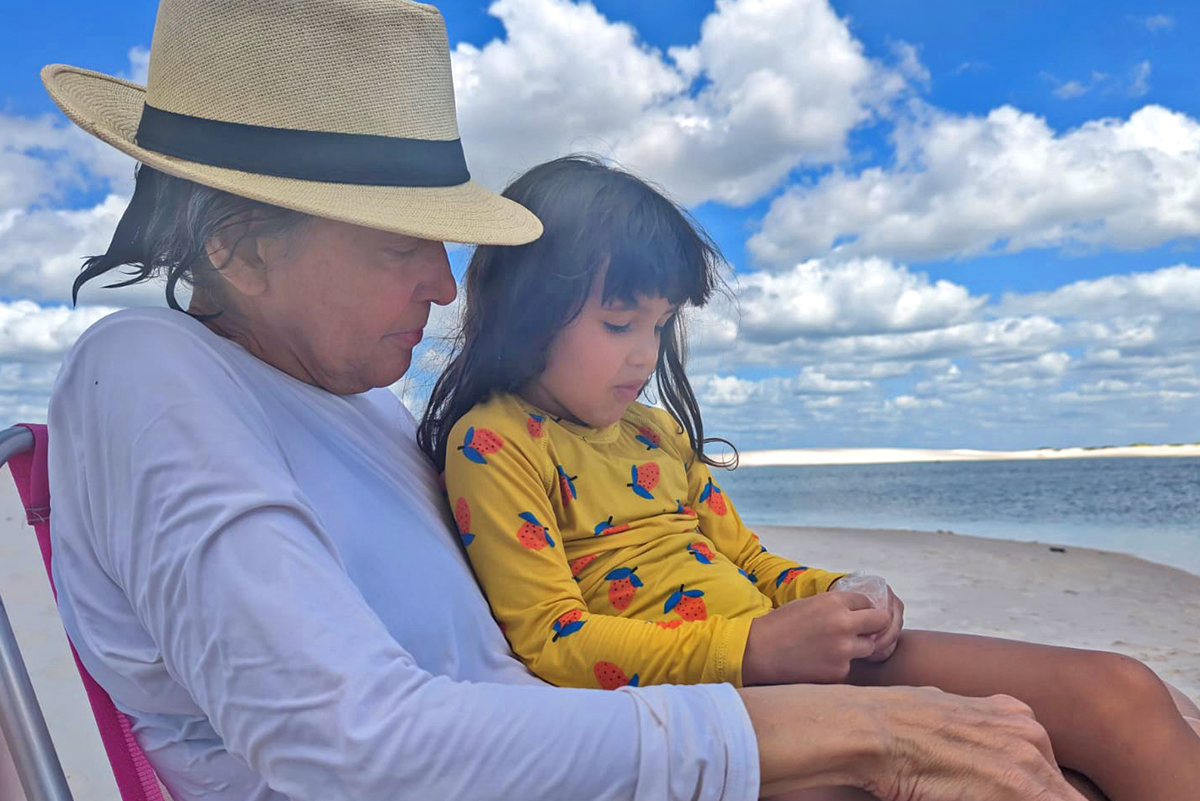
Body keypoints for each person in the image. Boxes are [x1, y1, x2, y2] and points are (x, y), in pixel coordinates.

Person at [40, 1, 1100, 800]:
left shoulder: (353, 409)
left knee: (1071, 729)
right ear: (234, 246)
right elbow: (349, 743)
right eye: (398, 242)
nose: (445, 287)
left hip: (594, 750)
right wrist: (856, 733)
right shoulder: (146, 372)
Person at [422, 156, 1200, 801]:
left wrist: (840, 592)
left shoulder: (655, 434)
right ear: (527, 308)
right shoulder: (494, 444)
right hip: (723, 705)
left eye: (660, 327)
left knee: (1121, 691)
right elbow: (555, 642)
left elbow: (750, 561)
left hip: (791, 660)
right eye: (620, 324)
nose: (645, 355)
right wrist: (755, 648)